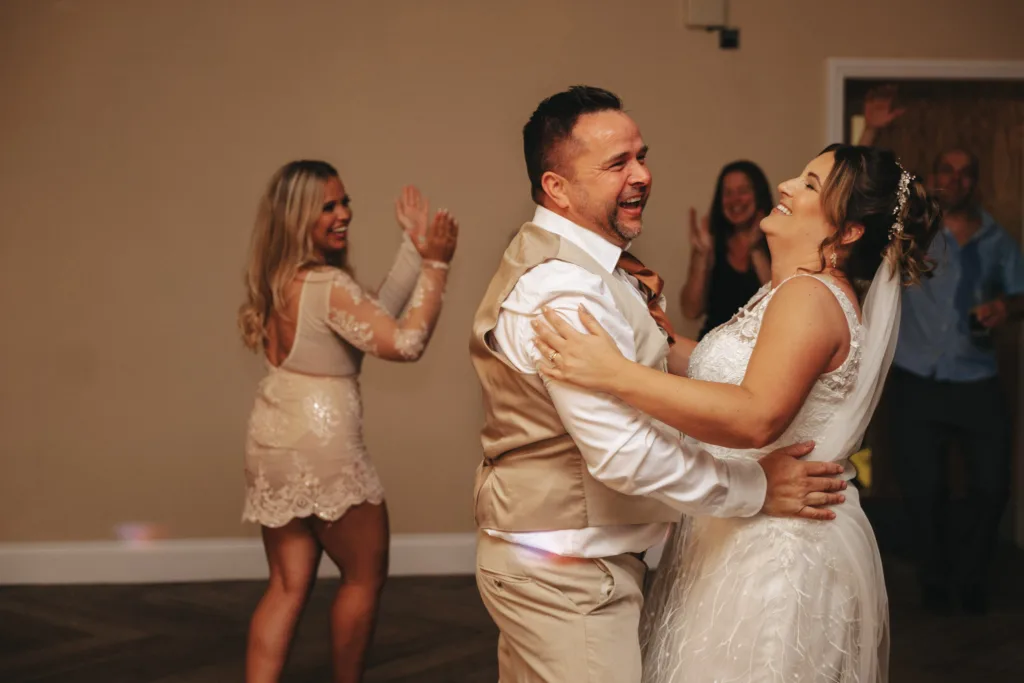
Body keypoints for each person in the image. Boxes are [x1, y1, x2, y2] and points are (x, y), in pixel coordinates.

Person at [468, 86, 848, 683]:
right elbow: (622, 454)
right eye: (617, 164)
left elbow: (661, 365)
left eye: (641, 156)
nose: (642, 175)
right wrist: (754, 487)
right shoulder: (562, 290)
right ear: (557, 188)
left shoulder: (596, 271)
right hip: (565, 570)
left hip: (573, 559)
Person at [534, 143, 942, 681]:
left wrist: (613, 372)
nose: (787, 186)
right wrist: (636, 320)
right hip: (739, 521)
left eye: (812, 184)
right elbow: (715, 367)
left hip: (780, 547)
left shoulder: (809, 296)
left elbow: (755, 416)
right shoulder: (787, 291)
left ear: (848, 232)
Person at [237, 160, 458, 683]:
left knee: (287, 585)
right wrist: (438, 266)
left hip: (270, 443)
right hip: (326, 450)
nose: (344, 214)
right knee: (363, 576)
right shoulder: (327, 283)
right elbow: (403, 343)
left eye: (344, 202)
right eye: (328, 207)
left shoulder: (281, 279)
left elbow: (368, 316)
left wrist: (412, 249)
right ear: (297, 218)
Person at [888, 147, 1024, 614]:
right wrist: (876, 128)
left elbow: (1019, 295)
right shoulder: (913, 235)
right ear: (935, 177)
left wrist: (1006, 308)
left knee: (991, 486)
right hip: (916, 379)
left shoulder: (998, 241)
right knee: (923, 489)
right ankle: (935, 577)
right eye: (948, 169)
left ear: (975, 182)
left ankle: (970, 577)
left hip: (976, 378)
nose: (957, 179)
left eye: (966, 173)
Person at [681, 160, 773, 339]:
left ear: (758, 195)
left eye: (743, 191)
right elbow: (691, 311)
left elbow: (780, 306)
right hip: (713, 346)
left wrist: (756, 250)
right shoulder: (710, 240)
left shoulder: (779, 239)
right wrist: (701, 255)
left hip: (761, 348)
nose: (735, 200)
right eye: (728, 193)